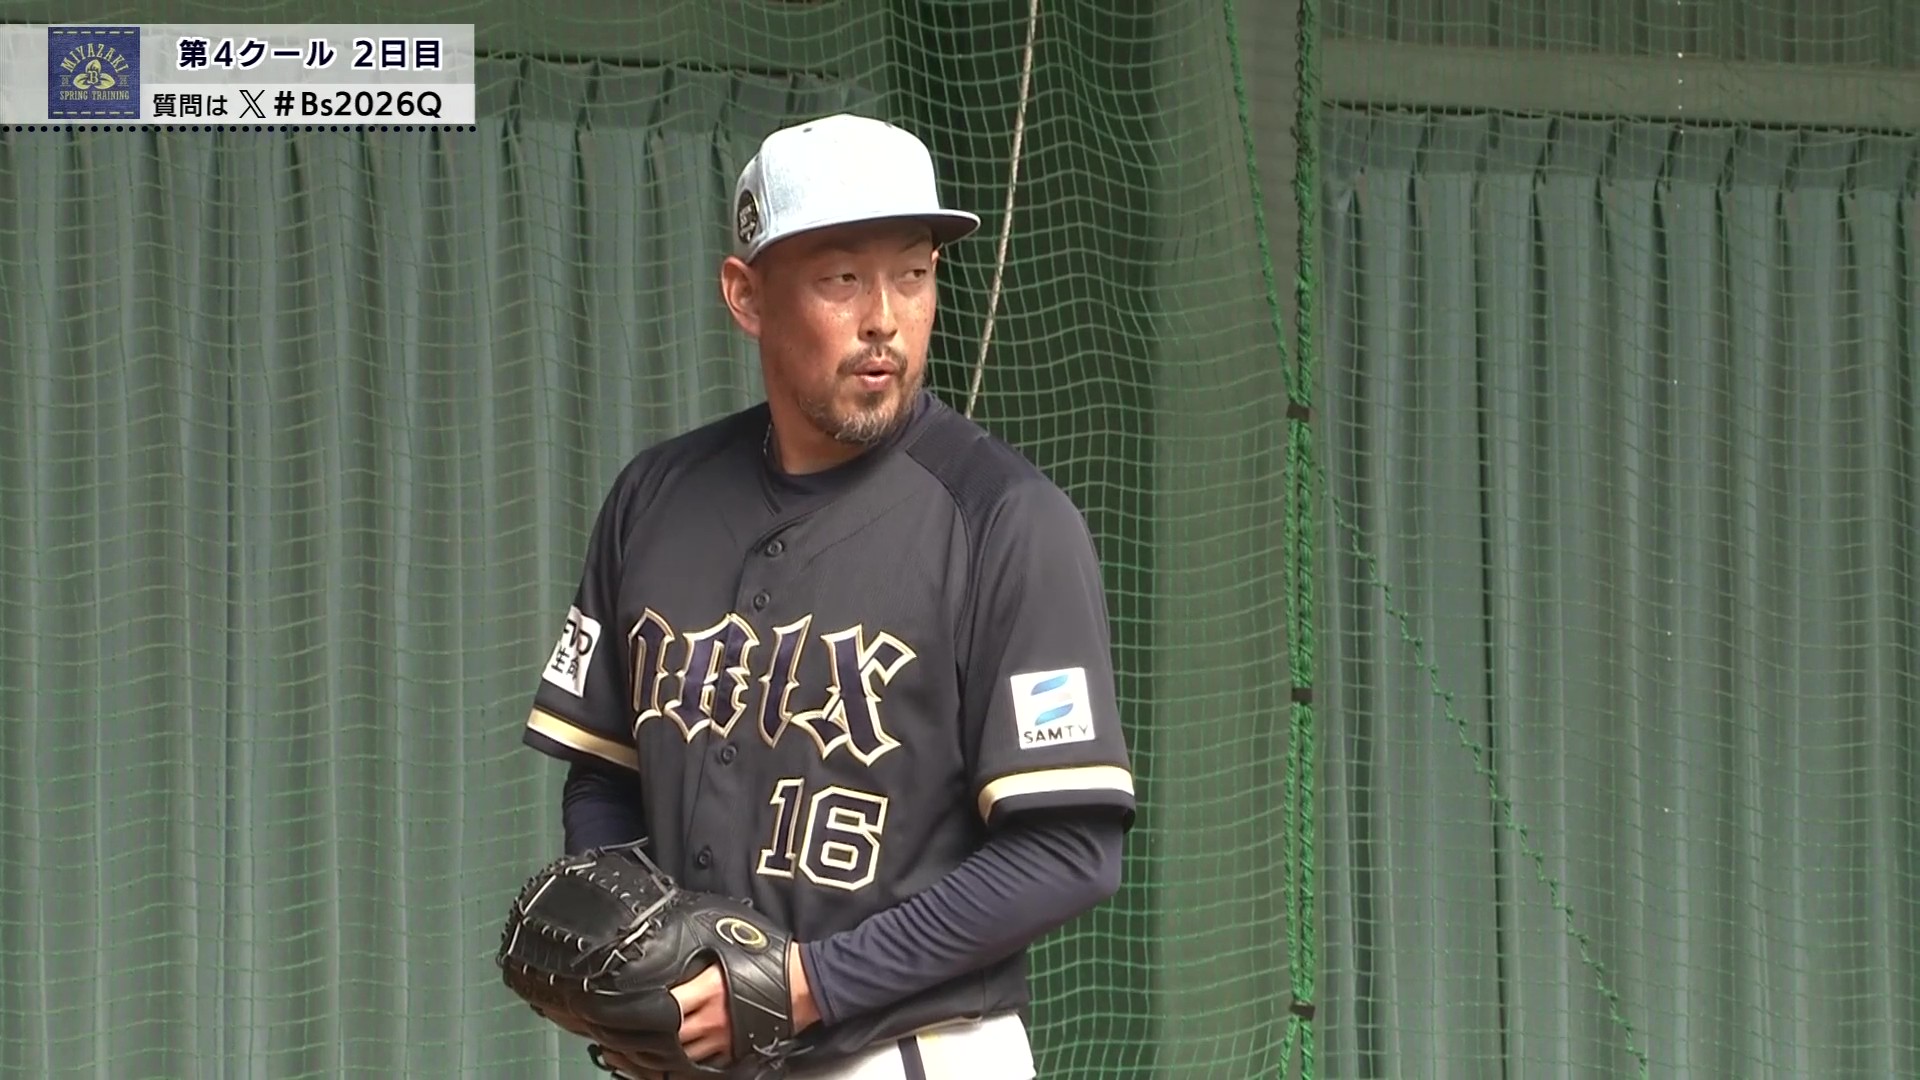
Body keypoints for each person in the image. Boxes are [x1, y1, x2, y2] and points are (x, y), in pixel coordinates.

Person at [518, 112, 1136, 1080]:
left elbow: (1067, 849)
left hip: (908, 1053)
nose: (884, 316)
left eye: (913, 273)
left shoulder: (1008, 522)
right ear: (746, 294)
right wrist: (633, 951)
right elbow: (606, 772)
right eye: (842, 278)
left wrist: (807, 983)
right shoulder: (656, 499)